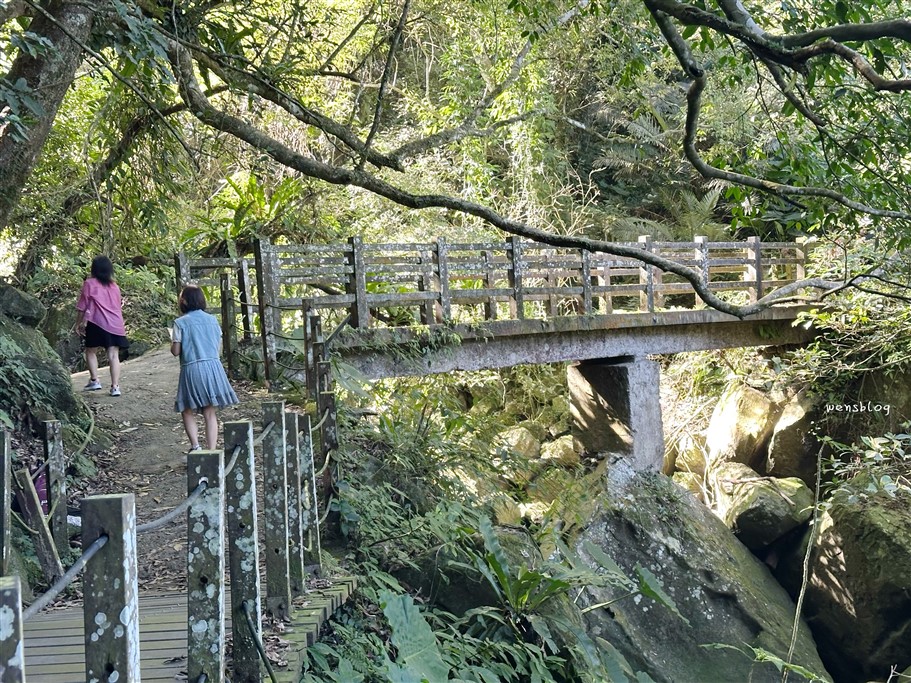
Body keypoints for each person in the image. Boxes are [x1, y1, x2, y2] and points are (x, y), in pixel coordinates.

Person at [171, 285, 238, 452]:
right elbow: (218, 346)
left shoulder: (180, 323)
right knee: (210, 411)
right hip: (213, 367)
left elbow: (175, 351)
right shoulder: (212, 320)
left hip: (192, 368)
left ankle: (195, 446)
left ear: (184, 301)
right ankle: (212, 450)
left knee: (187, 409)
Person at [75, 255, 129, 397]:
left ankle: (95, 381)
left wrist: (78, 323)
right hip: (116, 323)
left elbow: (82, 305)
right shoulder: (115, 286)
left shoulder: (89, 283)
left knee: (90, 351)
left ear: (94, 269)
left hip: (97, 322)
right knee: (113, 355)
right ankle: (115, 387)